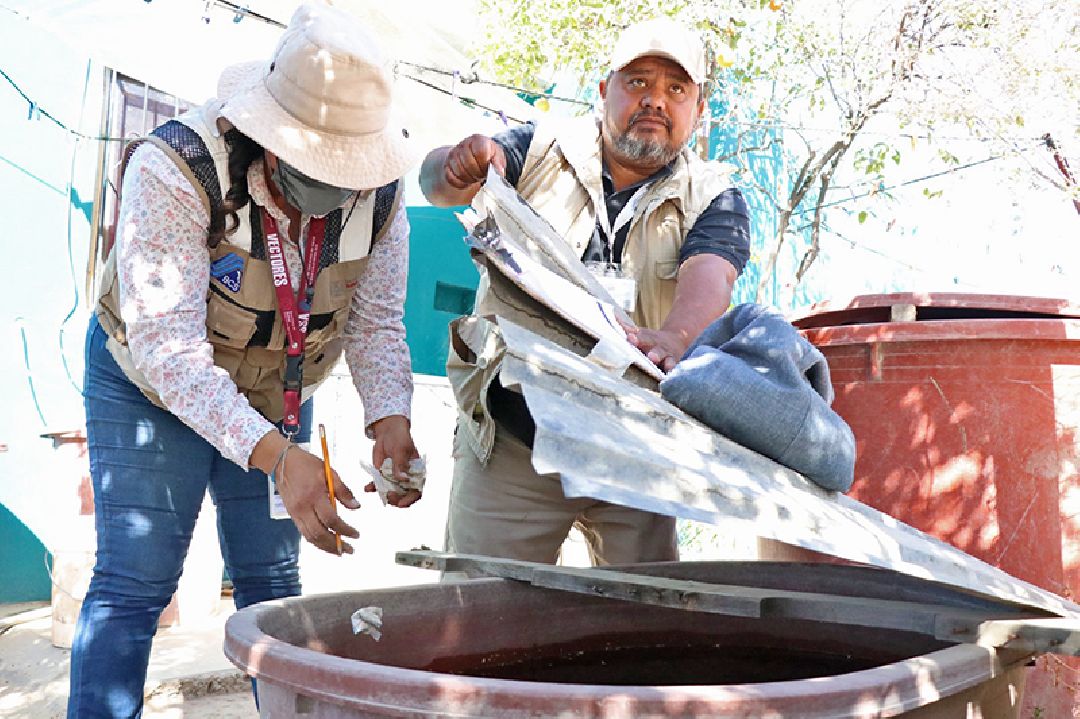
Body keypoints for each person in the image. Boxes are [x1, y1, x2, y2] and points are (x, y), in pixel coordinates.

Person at [68, 5, 421, 716]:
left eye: (349, 168)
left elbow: (376, 320)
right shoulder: (175, 169)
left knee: (273, 582)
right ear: (267, 137)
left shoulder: (381, 198)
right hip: (151, 388)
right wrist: (277, 456)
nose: (340, 185)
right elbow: (167, 351)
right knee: (136, 581)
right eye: (322, 165)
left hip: (277, 383)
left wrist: (391, 419)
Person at [419, 17, 751, 567]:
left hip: (638, 453)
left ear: (697, 109)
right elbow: (437, 185)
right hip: (511, 441)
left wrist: (674, 336)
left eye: (676, 90)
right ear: (604, 91)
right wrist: (455, 163)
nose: (655, 102)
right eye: (638, 82)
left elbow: (710, 277)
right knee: (479, 622)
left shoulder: (714, 196)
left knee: (639, 628)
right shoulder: (536, 147)